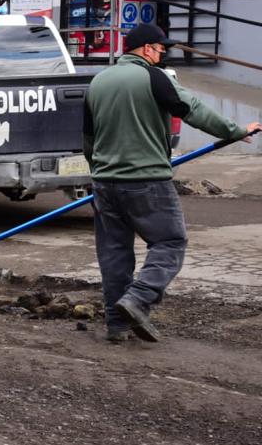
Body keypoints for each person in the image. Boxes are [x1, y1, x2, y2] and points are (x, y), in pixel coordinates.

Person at [83, 23, 261, 344]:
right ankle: (138, 298)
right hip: (147, 179)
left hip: (105, 183)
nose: (162, 56)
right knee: (170, 242)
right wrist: (235, 130)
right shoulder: (154, 78)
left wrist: (99, 170)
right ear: (147, 49)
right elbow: (191, 109)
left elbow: (87, 138)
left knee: (114, 254)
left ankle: (116, 324)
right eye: (161, 50)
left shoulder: (98, 82)